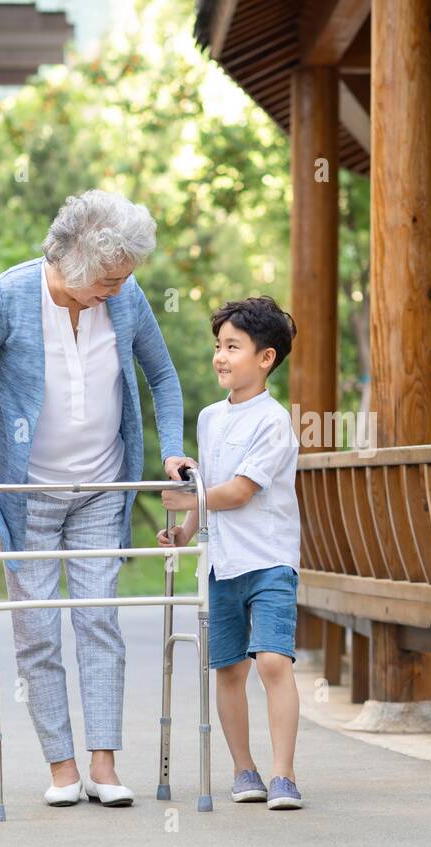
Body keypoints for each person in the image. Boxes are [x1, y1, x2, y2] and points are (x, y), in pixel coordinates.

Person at [0, 190, 196, 808]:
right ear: (75, 262)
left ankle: (103, 765)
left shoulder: (126, 297)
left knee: (99, 620)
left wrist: (171, 450)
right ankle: (61, 767)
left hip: (102, 487)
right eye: (109, 280)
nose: (119, 289)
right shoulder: (10, 295)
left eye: (125, 277)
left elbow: (162, 375)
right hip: (27, 492)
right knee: (36, 631)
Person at [158, 296, 303, 809]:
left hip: (269, 559)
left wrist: (185, 501)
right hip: (221, 562)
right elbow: (209, 487)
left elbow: (240, 491)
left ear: (265, 358)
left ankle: (283, 774)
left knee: (272, 661)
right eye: (218, 346)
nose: (220, 356)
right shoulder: (209, 418)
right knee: (229, 668)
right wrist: (185, 530)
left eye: (233, 347)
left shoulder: (273, 421)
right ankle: (245, 769)